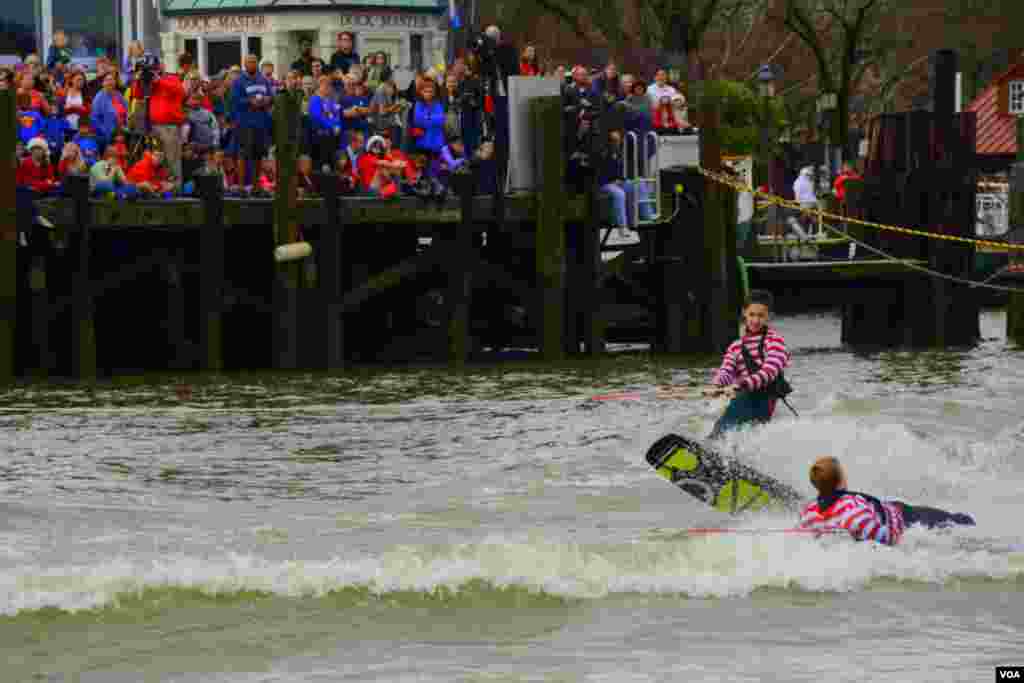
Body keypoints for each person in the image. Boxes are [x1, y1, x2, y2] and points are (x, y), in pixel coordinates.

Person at [798, 457, 975, 546]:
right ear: (841, 481)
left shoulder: (809, 512)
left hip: (893, 510)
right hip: (906, 518)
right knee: (960, 521)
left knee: (958, 522)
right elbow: (888, 538)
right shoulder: (854, 510)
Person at [706, 289, 791, 439]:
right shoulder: (735, 346)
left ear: (769, 316)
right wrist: (717, 385)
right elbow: (726, 370)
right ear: (744, 313)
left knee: (725, 424)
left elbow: (769, 371)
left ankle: (713, 445)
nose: (756, 320)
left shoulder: (775, 342)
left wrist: (744, 384)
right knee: (728, 420)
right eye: (752, 315)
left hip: (764, 400)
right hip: (742, 397)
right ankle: (724, 453)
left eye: (761, 316)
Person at [231, 53, 274, 188]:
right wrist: (250, 101)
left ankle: (257, 186)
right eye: (249, 62)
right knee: (243, 156)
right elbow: (235, 100)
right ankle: (242, 187)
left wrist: (268, 99)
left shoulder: (264, 80)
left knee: (258, 156)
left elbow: (271, 96)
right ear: (244, 64)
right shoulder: (239, 81)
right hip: (245, 124)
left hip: (261, 124)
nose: (252, 64)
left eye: (254, 62)